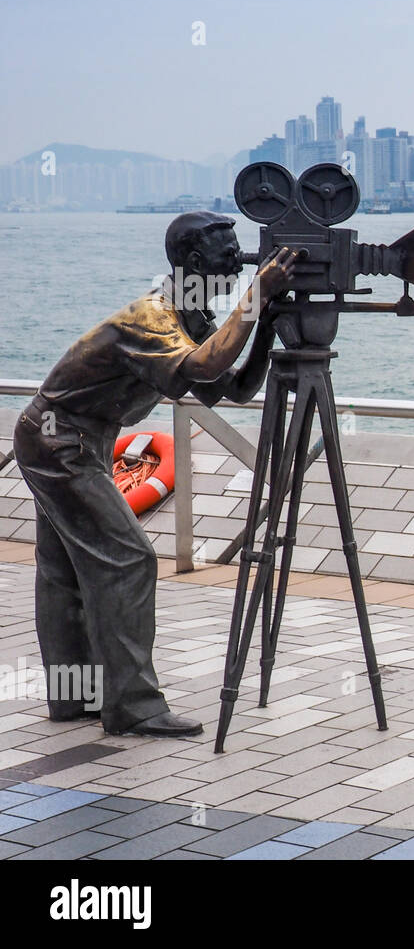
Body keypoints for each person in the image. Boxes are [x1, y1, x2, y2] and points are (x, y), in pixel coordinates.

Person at [13, 211, 296, 737]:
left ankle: (75, 698)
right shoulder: (153, 316)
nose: (238, 258)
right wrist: (254, 301)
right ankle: (134, 706)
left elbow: (228, 389)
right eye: (226, 250)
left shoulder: (192, 317)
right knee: (129, 560)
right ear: (193, 262)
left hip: (74, 436)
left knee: (65, 570)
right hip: (59, 440)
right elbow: (204, 369)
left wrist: (266, 325)